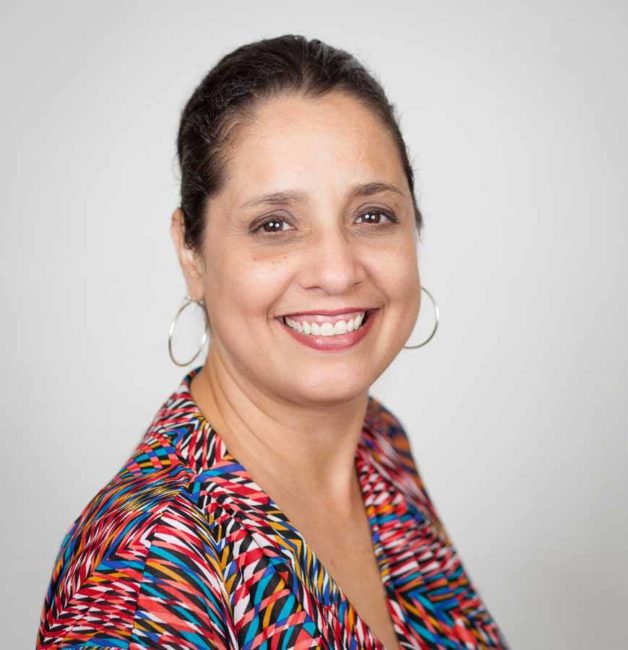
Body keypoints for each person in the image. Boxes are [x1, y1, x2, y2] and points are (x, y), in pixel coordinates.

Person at [37, 34, 508, 649]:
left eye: (372, 215)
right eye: (275, 224)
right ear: (192, 252)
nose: (338, 271)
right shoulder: (147, 562)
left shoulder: (380, 446)